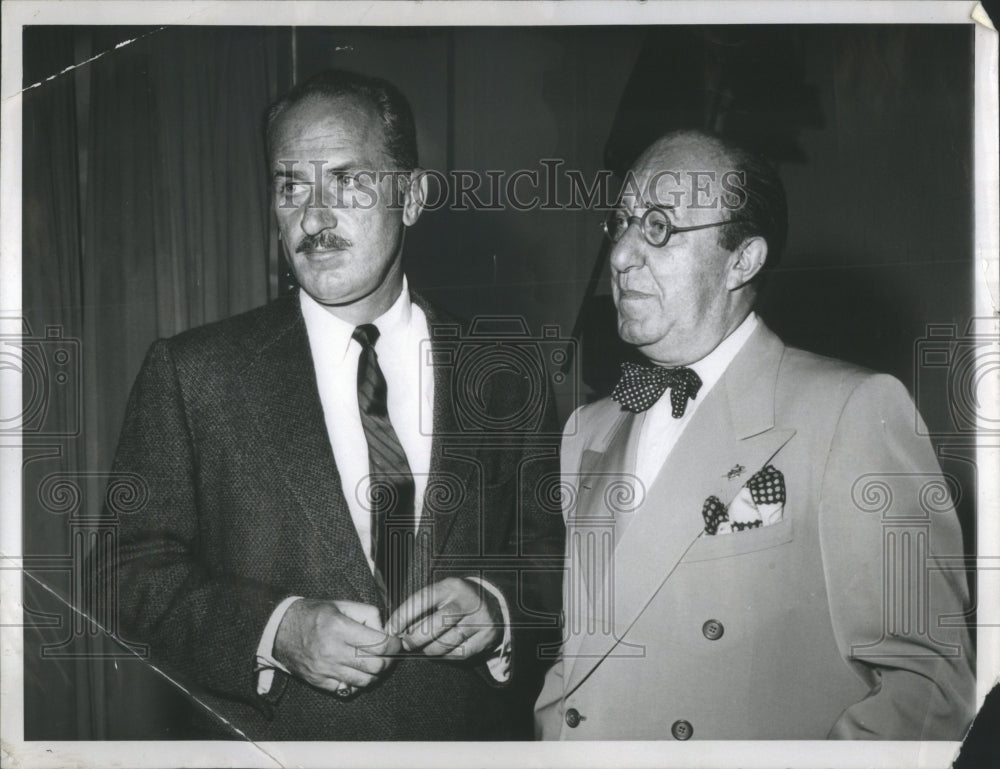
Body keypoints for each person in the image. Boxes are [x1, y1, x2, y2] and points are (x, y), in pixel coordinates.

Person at [99, 69, 563, 740]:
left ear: (412, 196)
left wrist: (499, 606)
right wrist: (275, 628)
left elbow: (555, 552)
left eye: (348, 180)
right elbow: (125, 569)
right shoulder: (194, 372)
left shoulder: (506, 372)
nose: (314, 218)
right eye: (291, 186)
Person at [534, 129, 976, 740]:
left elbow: (927, 691)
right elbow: (577, 658)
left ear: (742, 260)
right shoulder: (589, 428)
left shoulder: (852, 411)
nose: (621, 255)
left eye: (659, 227)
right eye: (623, 222)